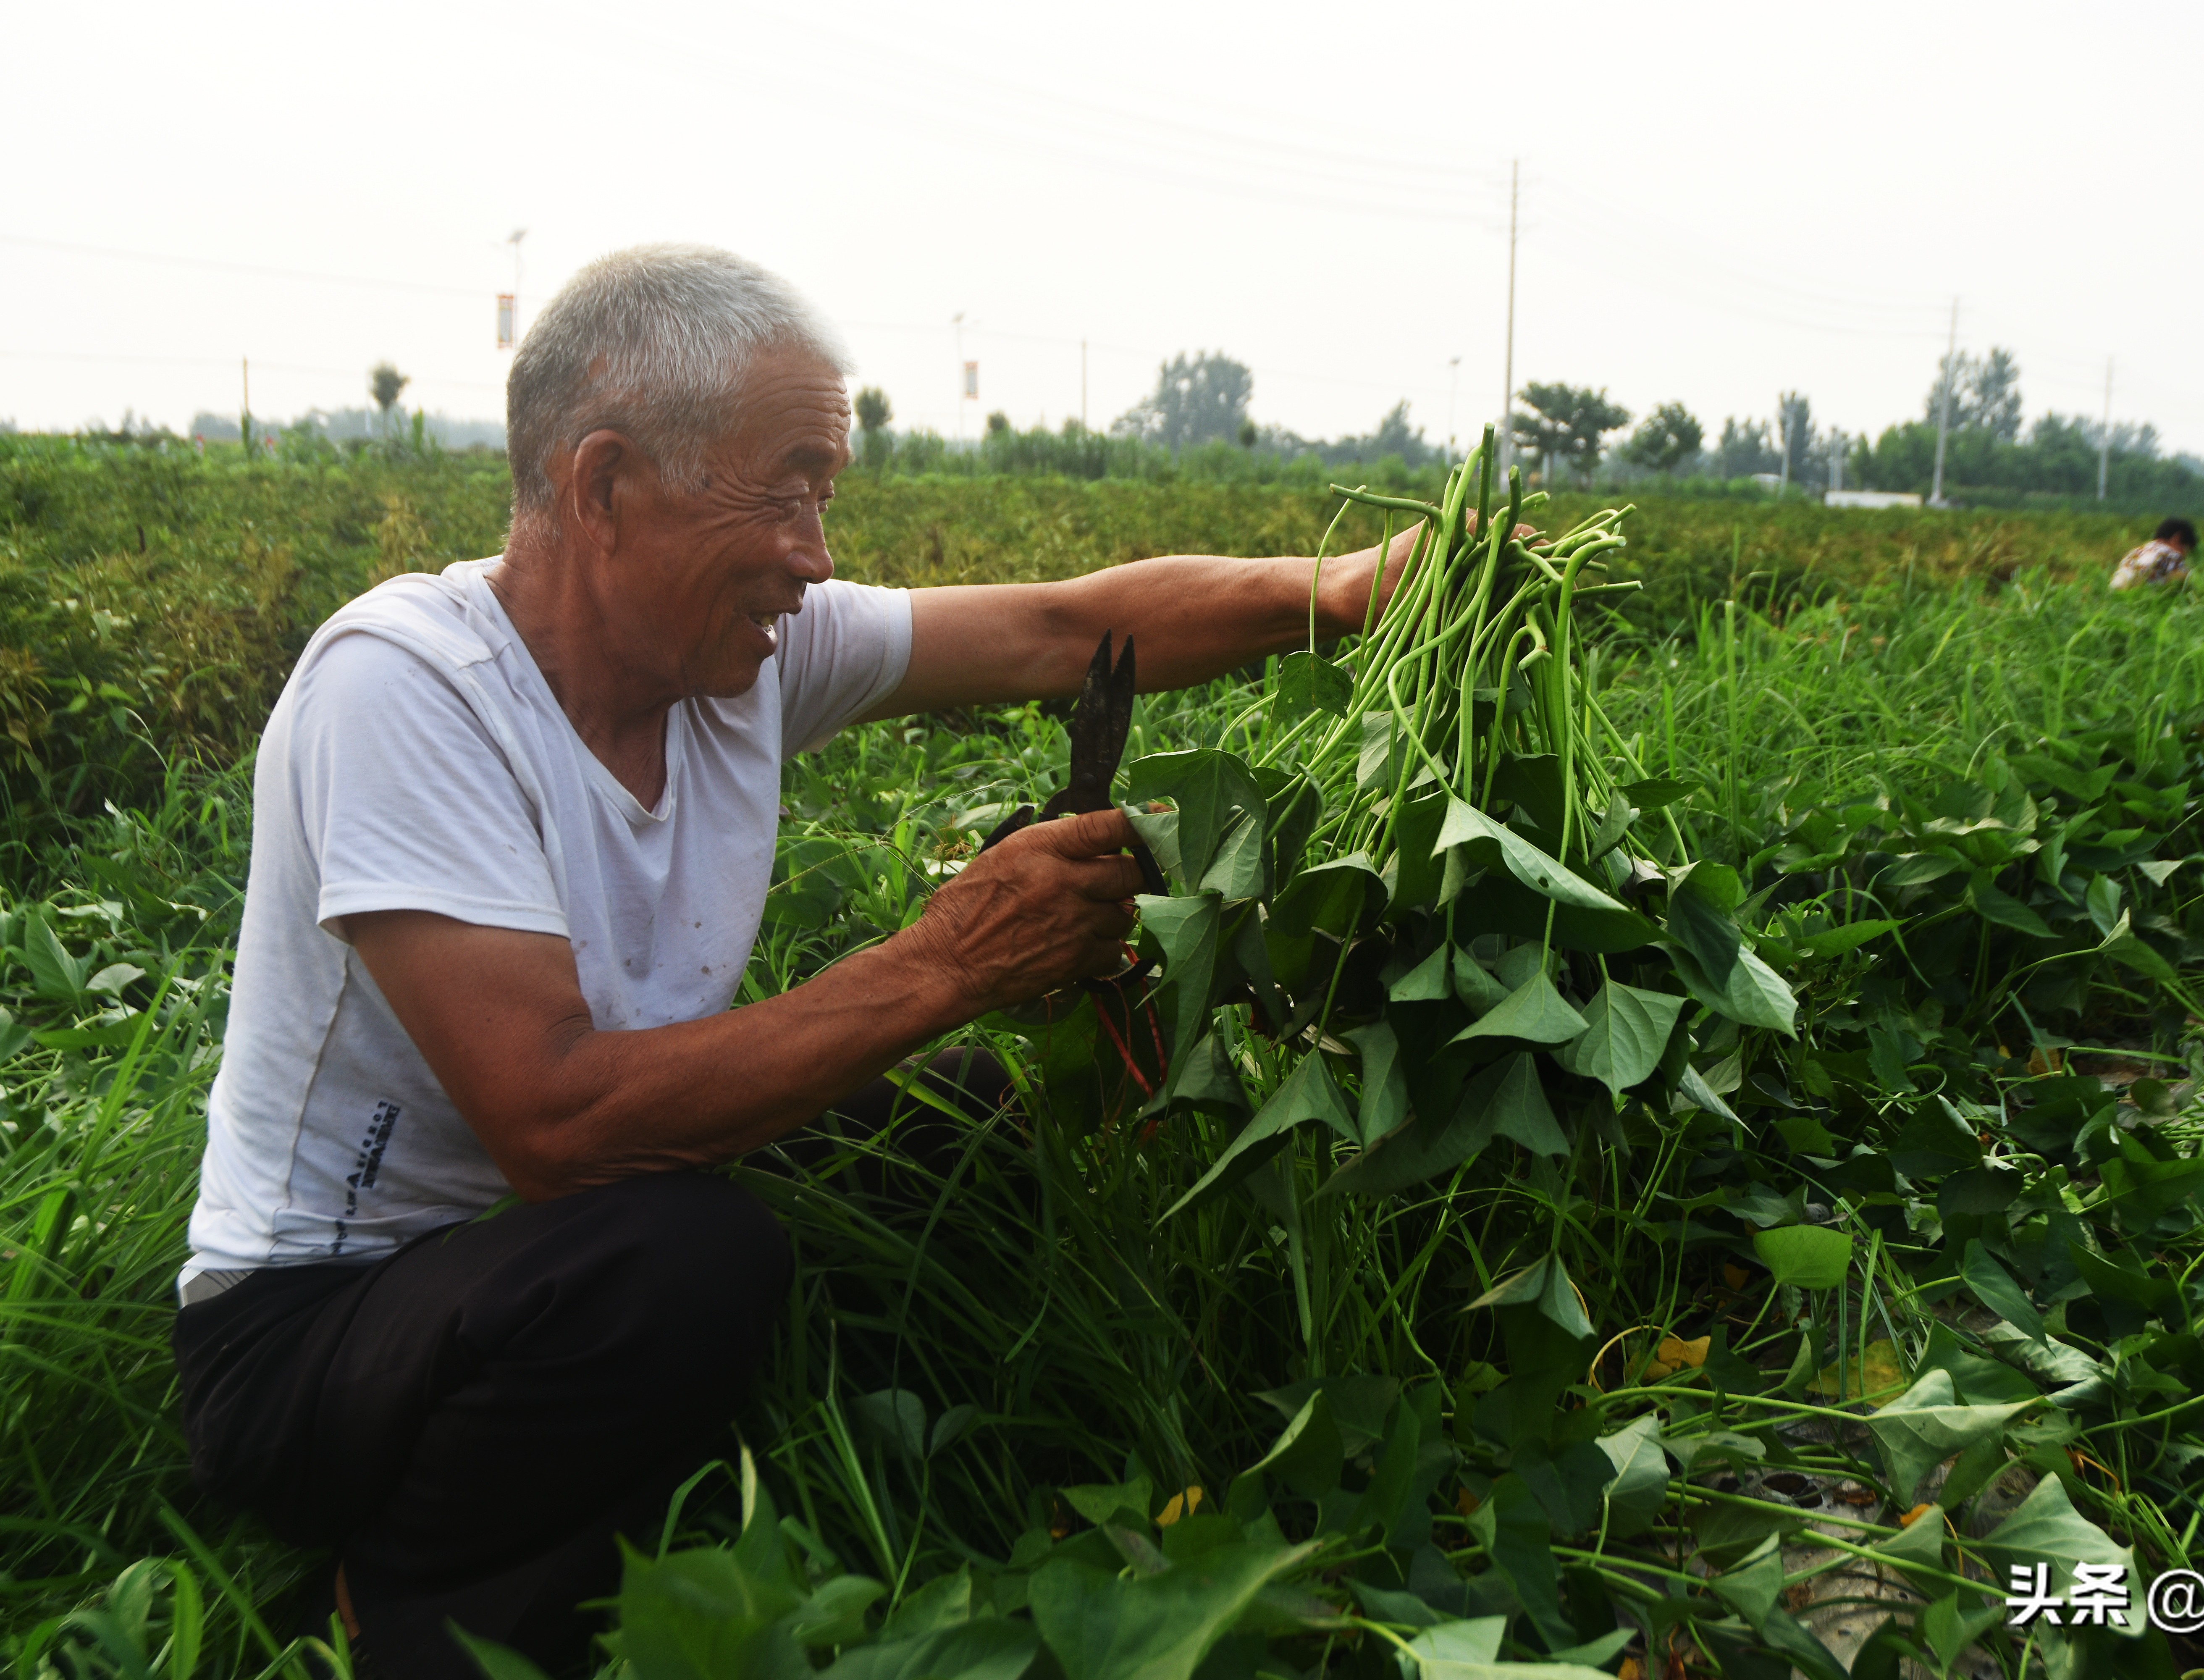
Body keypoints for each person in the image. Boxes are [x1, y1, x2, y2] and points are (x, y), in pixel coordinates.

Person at [171, 244, 1422, 1676]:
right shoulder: (405, 691)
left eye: (826, 497)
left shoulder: (735, 656)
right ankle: (382, 1617)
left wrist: (1344, 591)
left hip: (550, 1253)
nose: (817, 555)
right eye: (787, 490)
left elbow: (1064, 629)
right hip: (319, 1334)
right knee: (685, 1261)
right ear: (604, 488)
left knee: (945, 1124)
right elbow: (558, 1129)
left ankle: (900, 1489)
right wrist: (949, 956)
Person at [2109, 516, 2200, 589]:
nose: (2184, 555)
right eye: (2185, 550)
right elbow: (2187, 582)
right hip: (2144, 595)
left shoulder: (2135, 552)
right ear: (2177, 539)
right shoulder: (2173, 556)